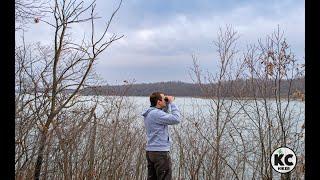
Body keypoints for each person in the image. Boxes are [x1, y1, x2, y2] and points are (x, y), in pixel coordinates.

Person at [142, 92, 181, 180]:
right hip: (160, 152)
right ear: (159, 102)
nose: (165, 100)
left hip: (151, 151)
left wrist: (166, 104)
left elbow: (164, 116)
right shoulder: (156, 114)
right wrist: (172, 103)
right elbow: (176, 119)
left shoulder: (150, 113)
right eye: (164, 99)